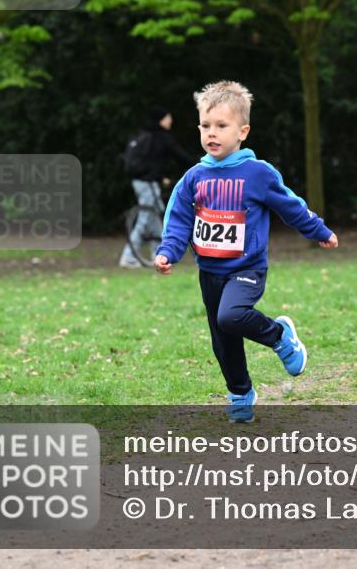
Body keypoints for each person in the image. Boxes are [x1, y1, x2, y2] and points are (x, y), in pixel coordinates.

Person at [154, 81, 338, 423]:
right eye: (205, 126)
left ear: (243, 131)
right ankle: (240, 393)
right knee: (223, 339)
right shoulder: (194, 177)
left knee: (231, 315)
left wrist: (318, 230)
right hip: (210, 272)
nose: (212, 133)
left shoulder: (258, 173)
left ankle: (280, 336)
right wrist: (169, 252)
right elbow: (178, 221)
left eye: (221, 126)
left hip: (247, 269)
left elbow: (290, 206)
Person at [119, 107, 196, 268]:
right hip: (147, 182)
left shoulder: (145, 134)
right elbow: (179, 155)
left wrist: (160, 178)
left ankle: (159, 255)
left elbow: (150, 161)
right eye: (168, 118)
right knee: (145, 217)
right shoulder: (160, 136)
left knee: (156, 215)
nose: (170, 121)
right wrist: (198, 167)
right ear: (161, 120)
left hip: (142, 181)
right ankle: (128, 256)